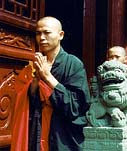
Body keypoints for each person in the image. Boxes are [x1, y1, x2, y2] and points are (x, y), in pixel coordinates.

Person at [11, 16, 90, 151]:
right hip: (37, 130)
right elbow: (26, 103)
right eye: (38, 33)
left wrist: (47, 77)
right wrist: (35, 82)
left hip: (62, 137)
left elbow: (76, 107)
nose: (41, 37)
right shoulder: (34, 64)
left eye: (46, 32)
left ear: (61, 35)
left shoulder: (73, 64)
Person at [106, 46, 127, 129]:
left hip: (125, 121)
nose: (113, 60)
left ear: (125, 59)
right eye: (111, 57)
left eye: (117, 57)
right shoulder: (103, 78)